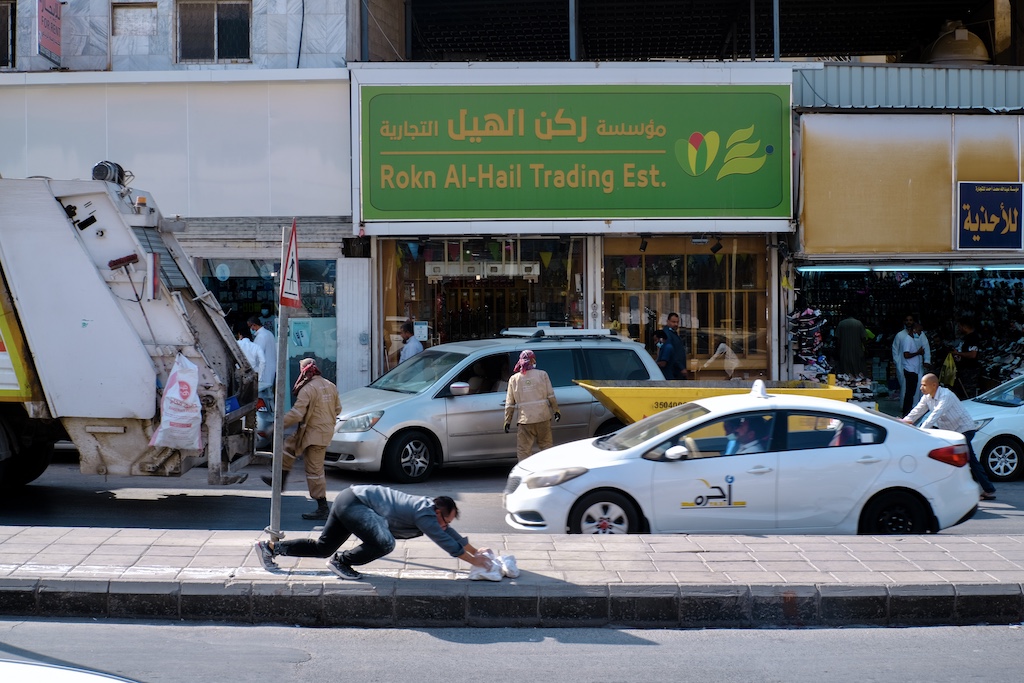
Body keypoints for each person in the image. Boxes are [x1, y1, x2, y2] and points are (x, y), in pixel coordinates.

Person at [256, 485, 495, 580]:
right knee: (385, 542)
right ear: (438, 511)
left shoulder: (430, 512)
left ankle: (270, 549)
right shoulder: (427, 513)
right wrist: (476, 562)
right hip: (356, 503)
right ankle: (341, 562)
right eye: (445, 520)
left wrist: (476, 551)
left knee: (323, 547)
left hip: (348, 499)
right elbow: (446, 542)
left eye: (447, 522)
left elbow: (449, 533)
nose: (444, 525)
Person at [261, 358, 342, 520]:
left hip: (314, 435)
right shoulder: (330, 385)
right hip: (317, 431)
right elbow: (338, 409)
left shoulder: (308, 389)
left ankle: (322, 507)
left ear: (304, 370)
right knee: (289, 447)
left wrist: (274, 427)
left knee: (314, 471)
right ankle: (280, 481)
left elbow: (297, 414)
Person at [903, 373, 996, 501]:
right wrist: (904, 422)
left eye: (924, 385)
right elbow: (917, 411)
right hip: (950, 431)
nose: (921, 388)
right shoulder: (927, 397)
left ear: (934, 385)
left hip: (964, 429)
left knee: (969, 459)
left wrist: (921, 432)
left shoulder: (946, 395)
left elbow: (934, 415)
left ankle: (988, 490)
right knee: (944, 457)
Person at [503, 349, 560, 461]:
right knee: (546, 448)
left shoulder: (514, 379)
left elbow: (510, 403)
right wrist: (556, 410)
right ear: (533, 360)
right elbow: (551, 396)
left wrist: (507, 420)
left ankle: (526, 474)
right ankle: (548, 472)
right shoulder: (542, 374)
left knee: (524, 451)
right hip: (543, 418)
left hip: (525, 421)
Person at [892, 314, 930, 411]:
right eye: (907, 320)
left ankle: (915, 408)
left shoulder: (920, 334)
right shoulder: (900, 335)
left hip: (918, 366)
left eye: (911, 320)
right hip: (905, 366)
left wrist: (926, 360)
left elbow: (926, 347)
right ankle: (906, 409)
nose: (909, 322)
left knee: (917, 388)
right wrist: (898, 364)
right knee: (907, 389)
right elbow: (895, 351)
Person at [248, 315, 277, 406]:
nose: (251, 329)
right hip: (270, 368)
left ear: (254, 325)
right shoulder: (269, 333)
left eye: (250, 327)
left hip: (264, 370)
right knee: (268, 395)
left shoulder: (261, 337)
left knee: (263, 396)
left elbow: (257, 355)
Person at [900, 322, 925, 418]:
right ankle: (906, 413)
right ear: (914, 330)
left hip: (913, 369)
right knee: (910, 393)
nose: (920, 333)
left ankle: (908, 412)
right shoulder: (908, 340)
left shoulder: (912, 339)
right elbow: (906, 355)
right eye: (919, 331)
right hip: (909, 369)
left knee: (911, 392)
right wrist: (918, 353)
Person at [954, 317, 982, 399]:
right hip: (964, 369)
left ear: (964, 327)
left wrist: (958, 353)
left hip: (970, 371)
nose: (959, 328)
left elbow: (973, 354)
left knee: (969, 393)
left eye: (959, 326)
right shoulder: (966, 338)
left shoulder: (973, 338)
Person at [834, 310, 866, 376]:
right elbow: (863, 338)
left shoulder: (841, 324)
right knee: (857, 369)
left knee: (845, 370)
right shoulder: (859, 323)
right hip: (857, 350)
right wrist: (865, 348)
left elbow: (837, 339)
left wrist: (837, 349)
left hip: (844, 350)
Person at [663, 312, 689, 379]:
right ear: (668, 321)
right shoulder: (667, 334)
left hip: (677, 369)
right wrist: (681, 367)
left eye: (677, 322)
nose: (676, 324)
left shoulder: (673, 333)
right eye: (673, 322)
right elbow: (672, 353)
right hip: (674, 370)